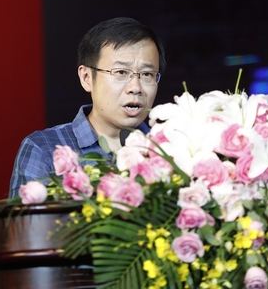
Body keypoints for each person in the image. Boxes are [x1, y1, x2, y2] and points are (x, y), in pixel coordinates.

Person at [9, 17, 166, 197]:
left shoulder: (169, 150)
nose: (135, 88)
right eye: (121, 72)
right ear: (87, 78)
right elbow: (27, 215)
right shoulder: (44, 149)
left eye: (147, 74)